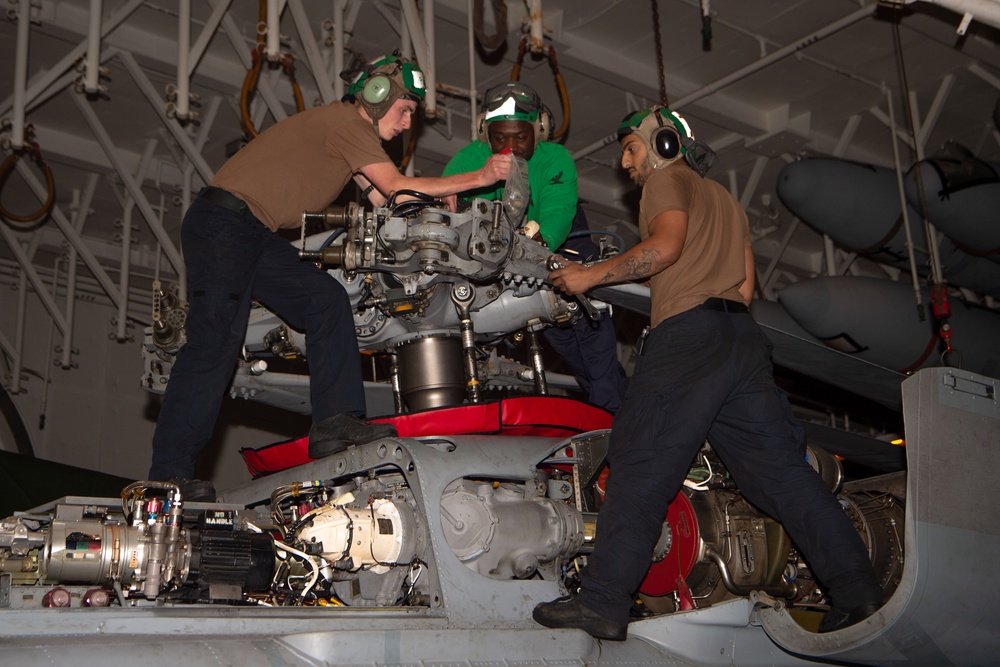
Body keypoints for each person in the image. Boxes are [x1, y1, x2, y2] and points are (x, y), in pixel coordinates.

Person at [533, 106, 883, 639]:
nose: (626, 164)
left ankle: (603, 602)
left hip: (689, 339)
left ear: (663, 144)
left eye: (631, 148)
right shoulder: (725, 200)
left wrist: (589, 276)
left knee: (640, 460)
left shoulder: (665, 180)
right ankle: (858, 592)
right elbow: (745, 288)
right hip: (741, 340)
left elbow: (665, 247)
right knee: (782, 476)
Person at [149, 54, 512, 500]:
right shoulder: (348, 124)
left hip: (253, 234)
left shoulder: (352, 138)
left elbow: (385, 198)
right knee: (214, 344)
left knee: (325, 300)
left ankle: (335, 423)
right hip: (224, 225)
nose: (406, 124)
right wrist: (475, 178)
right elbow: (397, 186)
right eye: (405, 111)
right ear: (378, 98)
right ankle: (168, 475)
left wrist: (438, 205)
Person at [441, 81, 627, 413]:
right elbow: (449, 213)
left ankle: (611, 413)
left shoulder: (556, 158)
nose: (510, 148)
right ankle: (616, 408)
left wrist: (540, 242)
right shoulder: (466, 161)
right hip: (502, 266)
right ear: (486, 133)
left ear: (538, 130)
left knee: (592, 334)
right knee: (568, 347)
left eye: (520, 138)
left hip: (563, 251)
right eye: (500, 139)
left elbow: (558, 212)